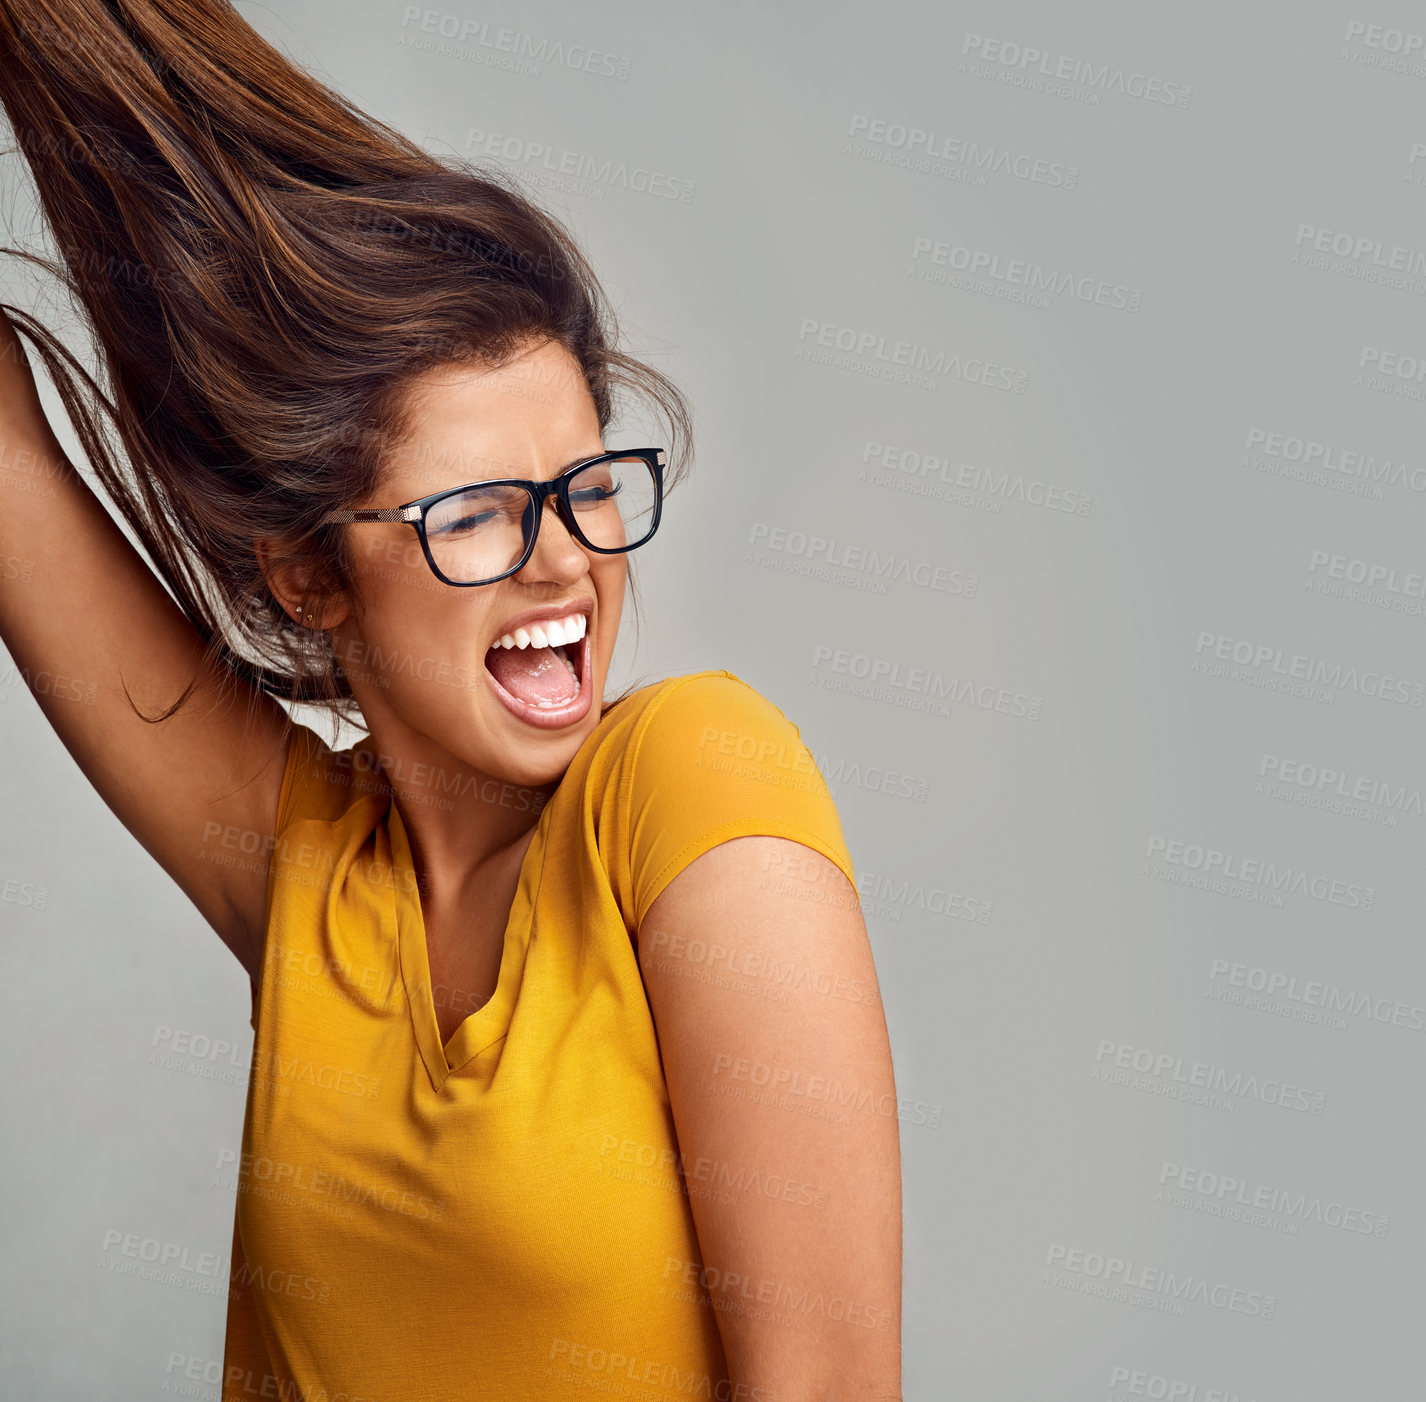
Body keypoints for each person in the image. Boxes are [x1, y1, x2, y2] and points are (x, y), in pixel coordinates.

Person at [0, 2, 902, 1397]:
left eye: (586, 488)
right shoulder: (310, 880)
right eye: (477, 513)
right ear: (309, 575)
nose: (565, 559)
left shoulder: (692, 777)